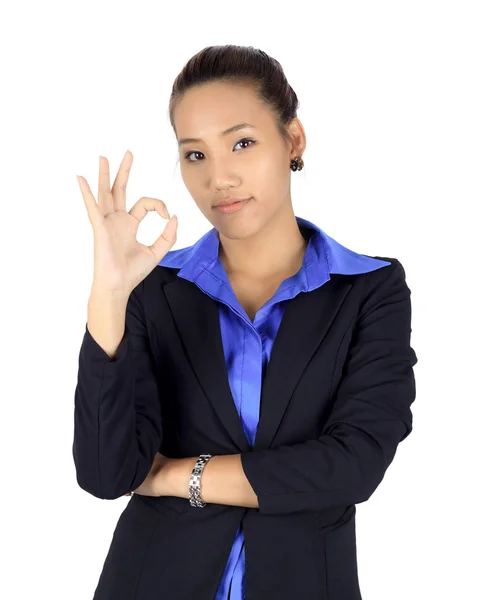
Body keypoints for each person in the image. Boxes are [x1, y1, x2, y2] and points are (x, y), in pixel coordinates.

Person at [72, 44, 418, 600]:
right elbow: (105, 473)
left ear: (294, 140)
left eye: (242, 142)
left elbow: (354, 465)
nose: (220, 177)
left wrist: (174, 477)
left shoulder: (368, 290)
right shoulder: (155, 290)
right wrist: (110, 293)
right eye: (195, 155)